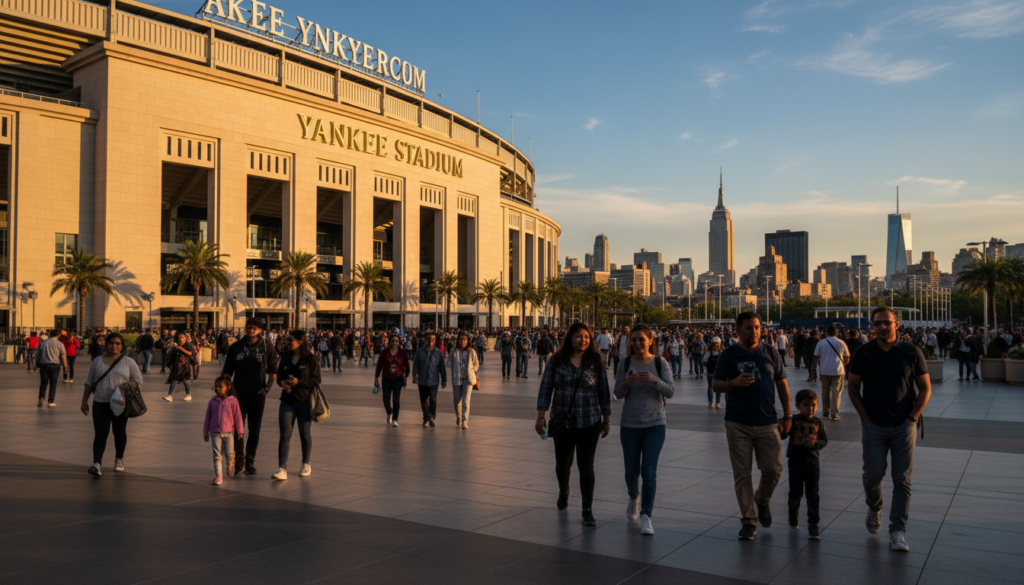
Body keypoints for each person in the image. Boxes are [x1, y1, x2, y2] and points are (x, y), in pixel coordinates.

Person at [847, 306, 932, 553]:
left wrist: (912, 417)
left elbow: (925, 388)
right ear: (872, 326)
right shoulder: (863, 352)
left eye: (887, 322)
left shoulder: (910, 351)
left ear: (897, 324)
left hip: (903, 426)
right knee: (872, 475)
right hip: (873, 424)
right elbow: (852, 388)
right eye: (877, 323)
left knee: (902, 480)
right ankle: (875, 507)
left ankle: (897, 531)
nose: (882, 327)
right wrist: (864, 418)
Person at [712, 312, 792, 541]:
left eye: (757, 327)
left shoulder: (771, 353)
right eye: (749, 327)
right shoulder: (728, 355)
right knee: (742, 474)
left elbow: (783, 386)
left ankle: (762, 499)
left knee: (774, 470)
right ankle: (748, 520)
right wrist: (733, 383)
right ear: (738, 330)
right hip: (737, 423)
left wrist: (787, 416)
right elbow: (716, 385)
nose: (754, 331)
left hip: (768, 422)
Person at [535, 322, 611, 527]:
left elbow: (603, 391)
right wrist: (541, 416)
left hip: (589, 421)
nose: (583, 340)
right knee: (562, 465)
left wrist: (606, 419)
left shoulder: (596, 361)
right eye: (578, 336)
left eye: (586, 336)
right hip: (563, 420)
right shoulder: (557, 360)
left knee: (586, 466)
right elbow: (546, 388)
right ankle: (564, 490)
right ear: (570, 338)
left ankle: (587, 509)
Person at [613, 324, 674, 535]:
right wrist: (626, 383)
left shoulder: (660, 362)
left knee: (649, 473)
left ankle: (646, 515)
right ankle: (633, 496)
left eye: (641, 339)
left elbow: (671, 391)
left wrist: (655, 380)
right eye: (634, 340)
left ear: (650, 341)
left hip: (655, 425)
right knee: (631, 473)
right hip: (629, 424)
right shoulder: (625, 362)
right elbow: (617, 393)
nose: (637, 343)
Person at [222, 317, 280, 475]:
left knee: (254, 431)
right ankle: (239, 461)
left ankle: (250, 461)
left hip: (257, 395)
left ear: (260, 330)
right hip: (238, 395)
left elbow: (274, 369)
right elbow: (227, 372)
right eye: (249, 327)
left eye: (255, 328)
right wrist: (226, 392)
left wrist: (267, 388)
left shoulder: (266, 346)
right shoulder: (236, 347)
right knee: (238, 430)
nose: (251, 330)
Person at [80, 332, 143, 477]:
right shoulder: (97, 361)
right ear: (106, 344)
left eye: (117, 344)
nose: (114, 346)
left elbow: (138, 380)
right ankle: (96, 463)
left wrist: (127, 385)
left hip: (120, 403)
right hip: (100, 403)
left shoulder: (128, 362)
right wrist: (84, 402)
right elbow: (89, 382)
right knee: (101, 433)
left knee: (119, 432)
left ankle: (119, 459)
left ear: (122, 346)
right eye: (111, 343)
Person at [272, 330, 321, 480]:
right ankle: (282, 468)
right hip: (287, 400)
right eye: (287, 339)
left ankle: (306, 463)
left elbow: (316, 380)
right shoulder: (286, 357)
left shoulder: (311, 359)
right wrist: (282, 383)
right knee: (285, 435)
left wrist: (298, 382)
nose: (287, 342)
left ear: (300, 341)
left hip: (304, 401)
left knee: (305, 434)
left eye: (290, 340)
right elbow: (279, 375)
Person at [784, 389, 828, 540]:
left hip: (812, 464)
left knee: (813, 495)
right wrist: (782, 424)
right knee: (795, 493)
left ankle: (813, 524)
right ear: (798, 406)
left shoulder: (818, 422)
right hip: (795, 463)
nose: (810, 409)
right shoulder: (794, 420)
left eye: (814, 405)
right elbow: (784, 433)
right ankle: (793, 513)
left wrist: (816, 444)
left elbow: (824, 440)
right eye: (806, 405)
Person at [203, 376, 244, 485]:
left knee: (230, 453)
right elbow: (208, 417)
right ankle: (218, 475)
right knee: (217, 454)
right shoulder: (212, 401)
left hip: (229, 433)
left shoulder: (233, 401)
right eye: (215, 387)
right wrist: (205, 431)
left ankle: (231, 462)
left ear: (228, 387)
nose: (217, 389)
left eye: (220, 386)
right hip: (215, 432)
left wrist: (240, 431)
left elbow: (238, 417)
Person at [813, 325, 850, 421]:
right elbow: (847, 357)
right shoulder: (841, 342)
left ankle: (826, 411)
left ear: (826, 332)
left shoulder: (821, 343)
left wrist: (813, 370)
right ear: (837, 333)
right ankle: (835, 413)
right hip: (838, 371)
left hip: (824, 371)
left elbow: (815, 357)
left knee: (825, 391)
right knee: (836, 392)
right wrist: (844, 365)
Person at [412, 332, 447, 428]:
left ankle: (432, 418)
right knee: (423, 401)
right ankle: (425, 418)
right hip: (422, 380)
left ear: (435, 341)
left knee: (433, 399)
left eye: (433, 339)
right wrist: (414, 375)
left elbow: (442, 367)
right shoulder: (419, 352)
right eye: (429, 339)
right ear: (425, 339)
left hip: (434, 380)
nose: (430, 341)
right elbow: (415, 364)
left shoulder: (438, 353)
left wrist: (444, 379)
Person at [375, 334, 410, 426]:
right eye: (393, 341)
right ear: (389, 342)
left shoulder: (402, 352)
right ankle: (389, 412)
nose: (395, 343)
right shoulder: (384, 352)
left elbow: (407, 365)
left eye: (396, 341)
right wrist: (376, 378)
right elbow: (379, 366)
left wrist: (406, 375)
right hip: (386, 379)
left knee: (396, 400)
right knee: (386, 400)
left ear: (399, 342)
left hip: (398, 379)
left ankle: (395, 419)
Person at [448, 333, 479, 429]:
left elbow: (476, 363)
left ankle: (465, 421)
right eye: (461, 339)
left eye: (465, 339)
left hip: (468, 379)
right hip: (457, 378)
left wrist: (472, 369)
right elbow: (448, 363)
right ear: (458, 341)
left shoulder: (471, 351)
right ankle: (458, 416)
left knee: (466, 401)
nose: (463, 341)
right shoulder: (454, 351)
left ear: (468, 341)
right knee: (457, 400)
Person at [36, 329, 68, 408]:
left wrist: (37, 365)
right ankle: (51, 401)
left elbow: (38, 354)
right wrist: (65, 368)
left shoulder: (43, 343)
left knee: (43, 383)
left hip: (44, 365)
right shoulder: (60, 344)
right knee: (53, 384)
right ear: (58, 335)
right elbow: (63, 357)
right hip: (55, 366)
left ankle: (41, 397)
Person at [163, 333, 195, 401]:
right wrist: (169, 364)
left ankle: (188, 394)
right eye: (179, 338)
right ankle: (170, 395)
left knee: (186, 380)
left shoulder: (188, 346)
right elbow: (171, 356)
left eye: (182, 338)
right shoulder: (175, 347)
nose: (181, 339)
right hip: (176, 366)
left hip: (185, 366)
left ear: (185, 339)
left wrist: (181, 349)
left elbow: (190, 353)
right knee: (174, 380)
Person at [703, 337, 723, 409]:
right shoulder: (722, 353)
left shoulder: (708, 353)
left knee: (710, 387)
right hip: (718, 373)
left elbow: (704, 362)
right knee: (718, 387)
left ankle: (710, 403)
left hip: (710, 372)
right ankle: (717, 403)